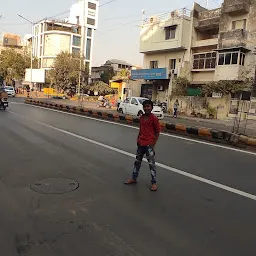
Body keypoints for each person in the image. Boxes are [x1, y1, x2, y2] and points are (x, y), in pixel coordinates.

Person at [124, 100, 160, 191]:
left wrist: (153, 144)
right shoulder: (142, 118)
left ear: (151, 107)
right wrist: (138, 139)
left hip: (149, 144)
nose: (146, 108)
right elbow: (141, 129)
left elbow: (157, 132)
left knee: (151, 164)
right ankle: (134, 178)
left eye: (148, 106)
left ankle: (154, 182)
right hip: (141, 143)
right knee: (137, 162)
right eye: (145, 106)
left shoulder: (154, 119)